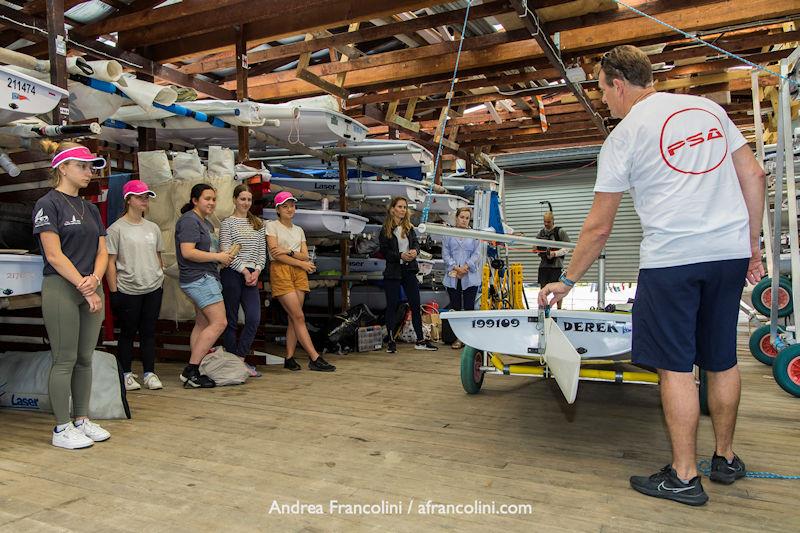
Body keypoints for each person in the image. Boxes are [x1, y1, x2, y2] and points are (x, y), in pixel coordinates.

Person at [538, 45, 766, 506]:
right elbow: (756, 176)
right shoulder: (708, 110)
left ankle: (685, 476)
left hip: (672, 261)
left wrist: (566, 280)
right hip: (727, 255)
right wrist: (752, 246)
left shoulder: (624, 136)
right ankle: (724, 457)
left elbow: (599, 227)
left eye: (602, 91)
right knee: (722, 358)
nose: (604, 101)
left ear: (618, 85)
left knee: (676, 368)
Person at [33, 142, 111, 449]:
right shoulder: (47, 203)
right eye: (82, 166)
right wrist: (84, 285)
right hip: (63, 288)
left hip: (89, 288)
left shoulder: (90, 208)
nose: (89, 172)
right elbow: (54, 255)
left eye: (91, 167)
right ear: (62, 168)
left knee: (84, 359)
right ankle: (61, 428)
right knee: (64, 359)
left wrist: (94, 280)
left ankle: (81, 419)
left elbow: (103, 251)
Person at [266, 191, 335, 372]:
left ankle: (289, 358)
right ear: (278, 209)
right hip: (282, 271)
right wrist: (299, 261)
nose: (290, 209)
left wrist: (288, 252)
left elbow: (305, 255)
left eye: (292, 205)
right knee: (298, 316)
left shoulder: (299, 230)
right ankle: (314, 357)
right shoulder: (271, 226)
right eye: (285, 206)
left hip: (298, 272)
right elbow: (274, 252)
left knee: (293, 318)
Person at [106, 180, 164, 391]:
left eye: (146, 197)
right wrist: (114, 292)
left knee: (149, 332)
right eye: (140, 197)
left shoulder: (153, 228)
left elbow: (158, 256)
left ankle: (150, 373)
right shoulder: (116, 229)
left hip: (153, 287)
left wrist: (159, 278)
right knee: (128, 333)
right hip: (128, 289)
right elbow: (110, 263)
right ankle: (126, 374)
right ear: (128, 199)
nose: (144, 201)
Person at [175, 184, 235, 388]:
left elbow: (204, 252)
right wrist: (218, 256)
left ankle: (196, 368)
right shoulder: (190, 221)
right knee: (219, 323)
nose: (211, 203)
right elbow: (188, 252)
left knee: (202, 324)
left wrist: (221, 258)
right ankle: (191, 370)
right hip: (199, 278)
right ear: (195, 200)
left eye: (214, 199)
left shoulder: (206, 223)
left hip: (205, 275)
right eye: (207, 198)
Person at [379, 196, 438, 353]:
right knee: (391, 305)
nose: (403, 210)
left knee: (415, 303)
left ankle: (420, 340)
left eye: (405, 207)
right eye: (400, 207)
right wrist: (400, 255)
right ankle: (391, 340)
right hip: (393, 271)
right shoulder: (385, 229)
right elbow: (384, 251)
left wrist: (415, 252)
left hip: (409, 269)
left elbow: (416, 244)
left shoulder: (409, 228)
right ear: (392, 209)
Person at [220, 184, 266, 377]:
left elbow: (262, 252)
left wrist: (256, 270)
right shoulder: (227, 223)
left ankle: (239, 358)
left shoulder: (258, 223)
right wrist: (243, 271)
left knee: (254, 318)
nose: (246, 203)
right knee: (230, 319)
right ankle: (231, 361)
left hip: (252, 274)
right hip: (232, 272)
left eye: (249, 199)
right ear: (234, 200)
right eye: (242, 199)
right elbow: (226, 249)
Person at [442, 207, 481, 349]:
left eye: (467, 218)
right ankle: (458, 338)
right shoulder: (448, 234)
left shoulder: (474, 234)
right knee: (456, 307)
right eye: (462, 217)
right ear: (456, 218)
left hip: (469, 274)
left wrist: (465, 267)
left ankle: (469, 339)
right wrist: (455, 267)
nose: (464, 220)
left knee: (470, 307)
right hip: (453, 275)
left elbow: (477, 254)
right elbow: (445, 254)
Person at [536, 211, 570, 309]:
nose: (546, 224)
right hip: (544, 266)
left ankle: (559, 309)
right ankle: (542, 309)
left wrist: (555, 253)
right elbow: (535, 245)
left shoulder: (560, 232)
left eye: (548, 222)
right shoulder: (541, 232)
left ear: (553, 221)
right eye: (544, 222)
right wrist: (536, 249)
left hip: (557, 266)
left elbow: (568, 247)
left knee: (558, 289)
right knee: (543, 289)